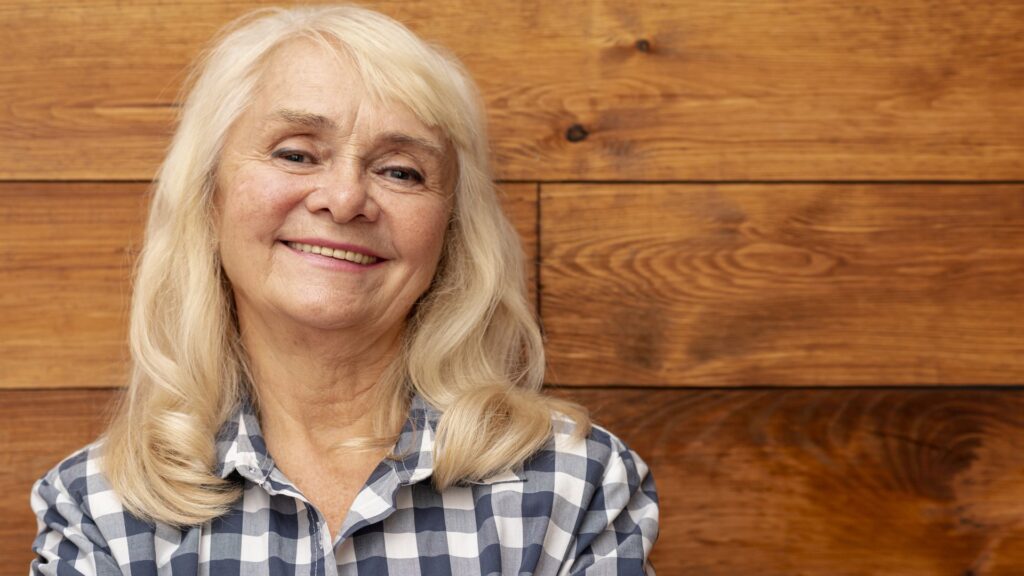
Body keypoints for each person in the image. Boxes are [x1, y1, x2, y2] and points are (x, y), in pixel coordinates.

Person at [30, 5, 658, 575]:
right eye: (297, 154)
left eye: (400, 170)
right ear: (209, 196)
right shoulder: (98, 511)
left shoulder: (575, 486)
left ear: (451, 230)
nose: (346, 199)